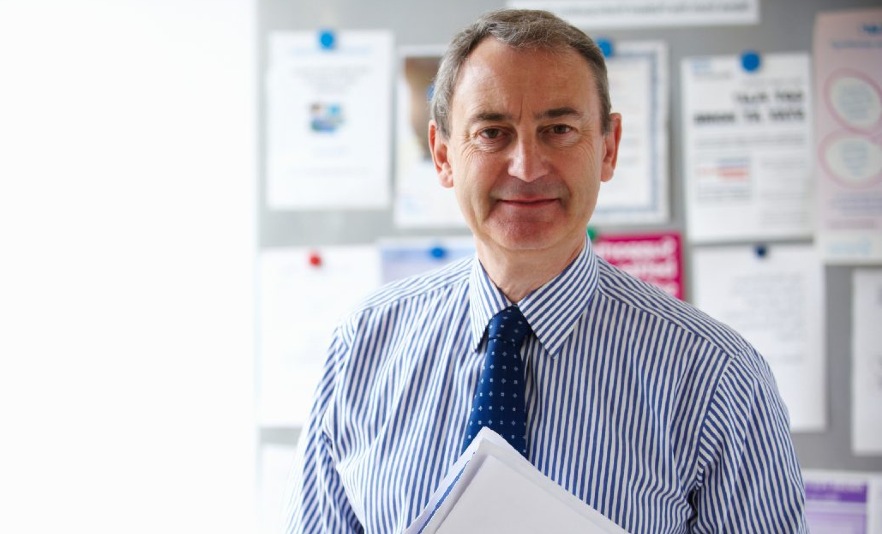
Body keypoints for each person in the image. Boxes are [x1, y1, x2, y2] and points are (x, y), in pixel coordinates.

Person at [285, 9, 807, 533]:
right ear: (443, 155)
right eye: (492, 132)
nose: (527, 167)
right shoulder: (364, 345)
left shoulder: (718, 379)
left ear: (609, 147)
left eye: (558, 129)